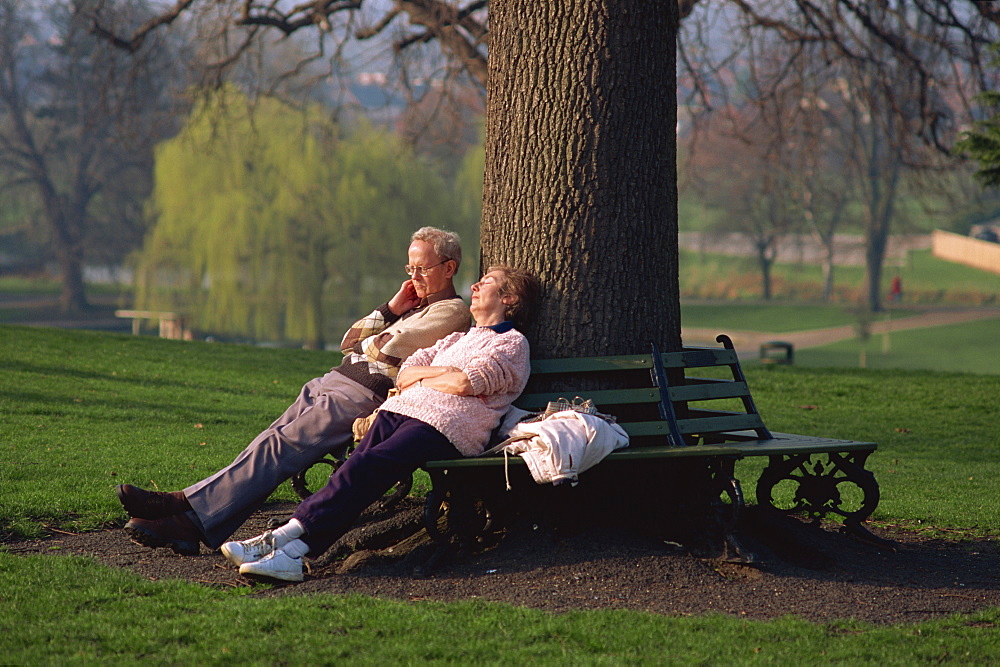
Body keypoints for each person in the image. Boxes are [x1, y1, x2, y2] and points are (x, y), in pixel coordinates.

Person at [117, 227, 472, 555]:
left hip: (361, 395)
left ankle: (179, 505)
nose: (413, 277)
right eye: (409, 269)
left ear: (449, 267)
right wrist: (392, 308)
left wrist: (377, 342)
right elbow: (349, 342)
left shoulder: (452, 311)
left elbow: (388, 350)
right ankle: (190, 525)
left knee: (278, 448)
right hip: (331, 381)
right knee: (267, 441)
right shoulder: (409, 306)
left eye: (422, 269)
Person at [224, 266, 541, 582]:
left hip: (446, 424)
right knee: (356, 467)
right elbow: (406, 372)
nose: (474, 286)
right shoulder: (457, 339)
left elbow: (463, 383)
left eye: (485, 283)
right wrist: (433, 376)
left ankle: (292, 549)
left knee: (370, 466)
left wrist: (428, 377)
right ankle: (285, 541)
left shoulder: (511, 344)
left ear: (509, 297)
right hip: (401, 410)